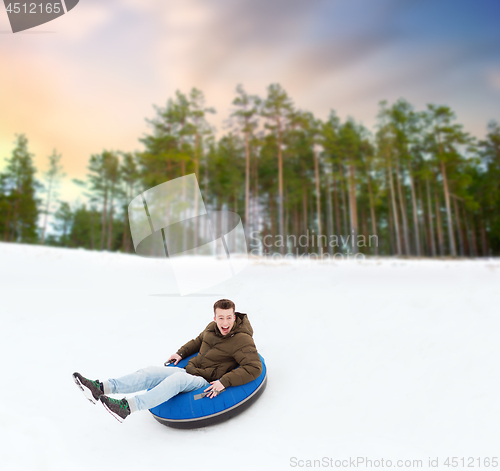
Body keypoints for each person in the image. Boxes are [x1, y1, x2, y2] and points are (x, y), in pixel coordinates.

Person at [73, 299, 262, 422]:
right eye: (221, 318)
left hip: (205, 380)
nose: (225, 323)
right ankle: (100, 388)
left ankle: (126, 408)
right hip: (191, 369)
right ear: (215, 317)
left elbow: (254, 367)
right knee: (149, 372)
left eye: (229, 317)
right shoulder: (212, 327)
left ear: (234, 316)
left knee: (175, 381)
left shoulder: (241, 339)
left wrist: (224, 382)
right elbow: (198, 341)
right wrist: (180, 353)